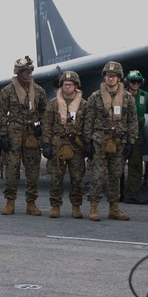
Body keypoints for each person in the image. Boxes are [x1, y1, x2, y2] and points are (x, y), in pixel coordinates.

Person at [82, 60, 137, 221]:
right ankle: (94, 207)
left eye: (114, 76)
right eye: (108, 75)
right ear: (104, 77)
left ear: (119, 78)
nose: (111, 78)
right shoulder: (95, 97)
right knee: (97, 175)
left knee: (116, 174)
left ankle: (114, 207)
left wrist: (131, 141)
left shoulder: (127, 98)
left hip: (119, 141)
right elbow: (89, 120)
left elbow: (132, 121)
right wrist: (87, 141)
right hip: (100, 140)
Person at [0, 55, 47, 216]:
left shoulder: (38, 91)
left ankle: (31, 203)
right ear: (18, 73)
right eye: (25, 71)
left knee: (33, 169)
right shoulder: (7, 91)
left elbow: (44, 112)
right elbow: (1, 114)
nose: (29, 74)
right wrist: (3, 135)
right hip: (14, 133)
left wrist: (42, 127)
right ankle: (10, 201)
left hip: (32, 134)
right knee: (12, 168)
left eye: (30, 71)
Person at [42, 70, 87, 218]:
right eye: (65, 85)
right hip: (58, 144)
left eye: (70, 85)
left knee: (77, 177)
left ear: (76, 86)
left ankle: (76, 206)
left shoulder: (84, 105)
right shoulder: (54, 104)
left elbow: (88, 125)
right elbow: (47, 125)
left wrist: (88, 145)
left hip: (76, 145)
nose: (67, 87)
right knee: (56, 177)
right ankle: (55, 206)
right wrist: (46, 144)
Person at [123, 69, 148, 204]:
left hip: (137, 134)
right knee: (117, 165)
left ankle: (132, 195)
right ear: (128, 82)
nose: (135, 84)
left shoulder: (144, 95)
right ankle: (116, 194)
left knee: (136, 165)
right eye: (133, 81)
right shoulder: (121, 94)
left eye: (138, 81)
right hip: (122, 133)